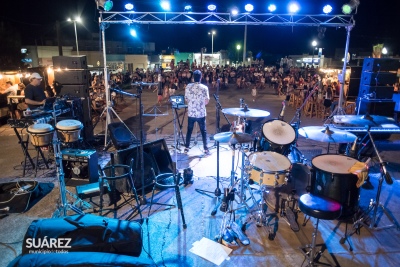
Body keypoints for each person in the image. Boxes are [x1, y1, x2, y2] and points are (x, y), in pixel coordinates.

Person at [184, 70, 210, 155]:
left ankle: (186, 147)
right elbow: (207, 101)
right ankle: (206, 149)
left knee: (189, 130)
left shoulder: (188, 86)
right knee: (203, 131)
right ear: (201, 77)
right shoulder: (204, 88)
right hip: (201, 113)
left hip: (191, 113)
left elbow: (186, 99)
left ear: (193, 78)